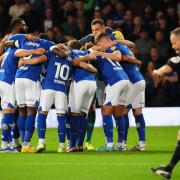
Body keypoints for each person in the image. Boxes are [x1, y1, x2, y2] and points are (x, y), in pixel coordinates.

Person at [151, 27, 180, 179]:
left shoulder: (177, 59)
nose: (173, 46)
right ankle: (168, 168)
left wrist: (156, 72)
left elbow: (167, 68)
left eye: (174, 42)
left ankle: (168, 169)